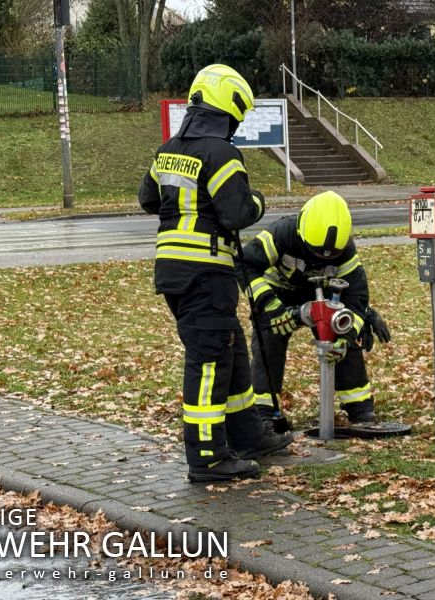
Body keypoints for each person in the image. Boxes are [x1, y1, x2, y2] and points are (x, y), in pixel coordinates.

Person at [138, 64, 292, 482]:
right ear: (228, 107)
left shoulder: (168, 149)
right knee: (208, 362)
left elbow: (148, 199)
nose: (237, 127)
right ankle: (207, 458)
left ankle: (246, 435)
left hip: (175, 273)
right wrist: (258, 200)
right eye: (237, 118)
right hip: (207, 272)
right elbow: (238, 212)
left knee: (230, 351)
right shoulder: (222, 153)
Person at [241, 191, 390, 425]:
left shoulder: (346, 252)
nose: (319, 260)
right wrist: (270, 307)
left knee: (342, 334)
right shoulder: (281, 234)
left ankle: (360, 409)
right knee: (268, 340)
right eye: (314, 253)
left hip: (320, 294)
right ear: (301, 232)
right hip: (275, 293)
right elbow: (246, 266)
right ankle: (264, 413)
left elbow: (356, 295)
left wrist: (350, 331)